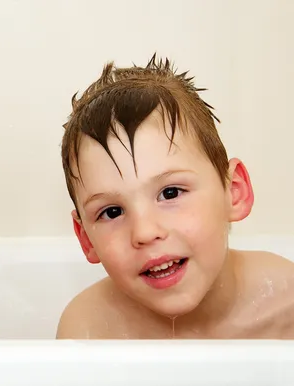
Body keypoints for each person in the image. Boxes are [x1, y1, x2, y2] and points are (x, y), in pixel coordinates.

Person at [55, 54, 294, 339]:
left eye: (170, 193)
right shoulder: (91, 331)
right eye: (112, 212)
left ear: (233, 192)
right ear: (85, 239)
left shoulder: (285, 302)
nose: (144, 232)